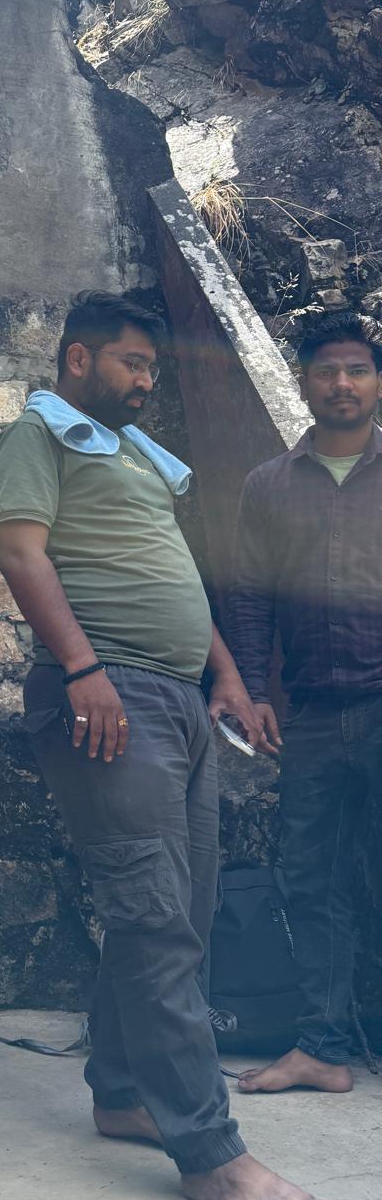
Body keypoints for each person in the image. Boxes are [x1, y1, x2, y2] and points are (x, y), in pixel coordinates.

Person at [0, 290, 334, 1200]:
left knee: (177, 912)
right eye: (132, 364)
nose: (146, 381)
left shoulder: (136, 457)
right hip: (109, 695)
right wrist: (83, 670)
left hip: (177, 699)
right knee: (153, 916)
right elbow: (23, 556)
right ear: (77, 359)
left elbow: (173, 574)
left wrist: (225, 674)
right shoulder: (39, 435)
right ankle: (210, 1154)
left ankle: (123, 1094)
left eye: (151, 367)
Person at [229, 310, 382, 1096]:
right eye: (327, 370)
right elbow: (250, 599)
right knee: (311, 879)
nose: (343, 383)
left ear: (377, 380)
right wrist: (254, 692)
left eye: (357, 368)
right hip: (316, 715)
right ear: (304, 380)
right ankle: (323, 1047)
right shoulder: (269, 487)